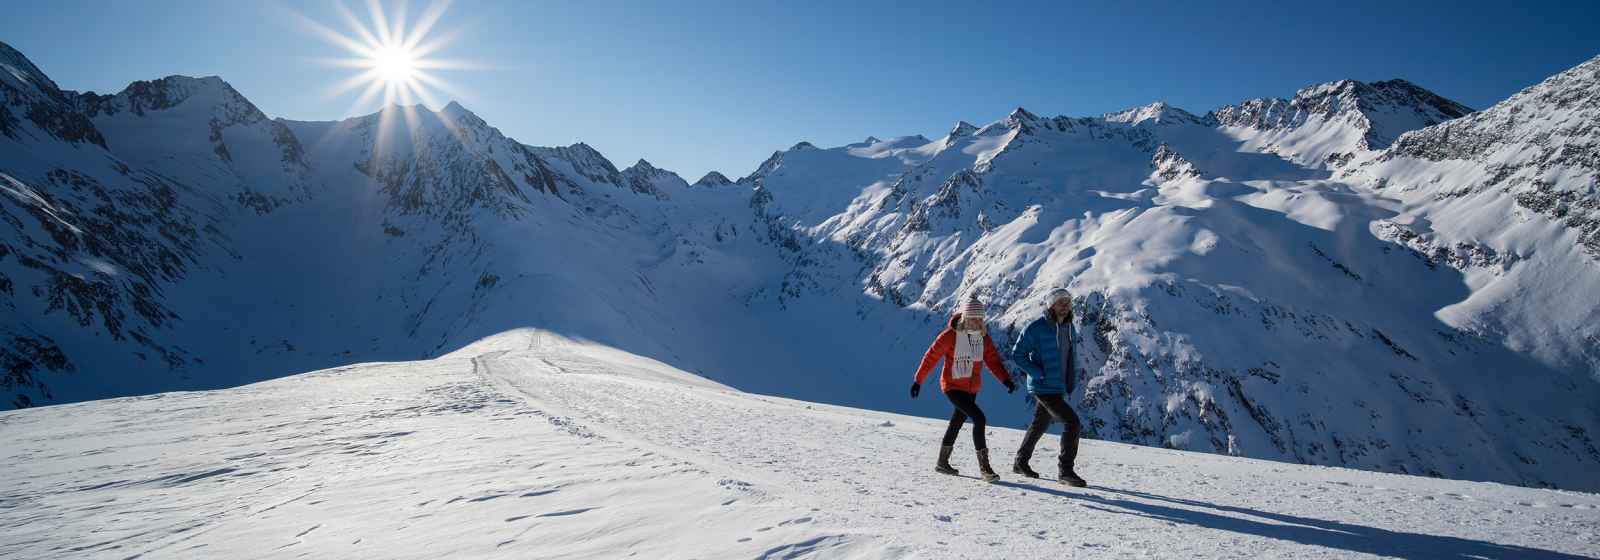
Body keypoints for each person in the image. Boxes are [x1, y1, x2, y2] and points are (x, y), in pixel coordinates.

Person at [911, 294, 1016, 482]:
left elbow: (992, 361)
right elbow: (931, 357)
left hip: (971, 388)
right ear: (965, 318)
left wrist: (1005, 380)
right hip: (952, 386)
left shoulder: (983, 338)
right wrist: (918, 380)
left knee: (957, 422)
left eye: (979, 319)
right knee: (979, 418)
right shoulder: (950, 336)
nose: (976, 322)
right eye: (972, 318)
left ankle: (942, 463)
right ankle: (985, 469)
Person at [1008, 288, 1088, 487]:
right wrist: (1038, 373)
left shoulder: (1070, 328)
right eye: (1061, 303)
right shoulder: (1036, 327)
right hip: (1043, 387)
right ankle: (1065, 471)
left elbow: (1070, 357)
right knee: (1072, 423)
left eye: (1068, 303)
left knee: (1039, 424)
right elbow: (1018, 354)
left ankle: (1020, 462)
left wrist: (1070, 380)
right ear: (1051, 305)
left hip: (1058, 386)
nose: (1065, 307)